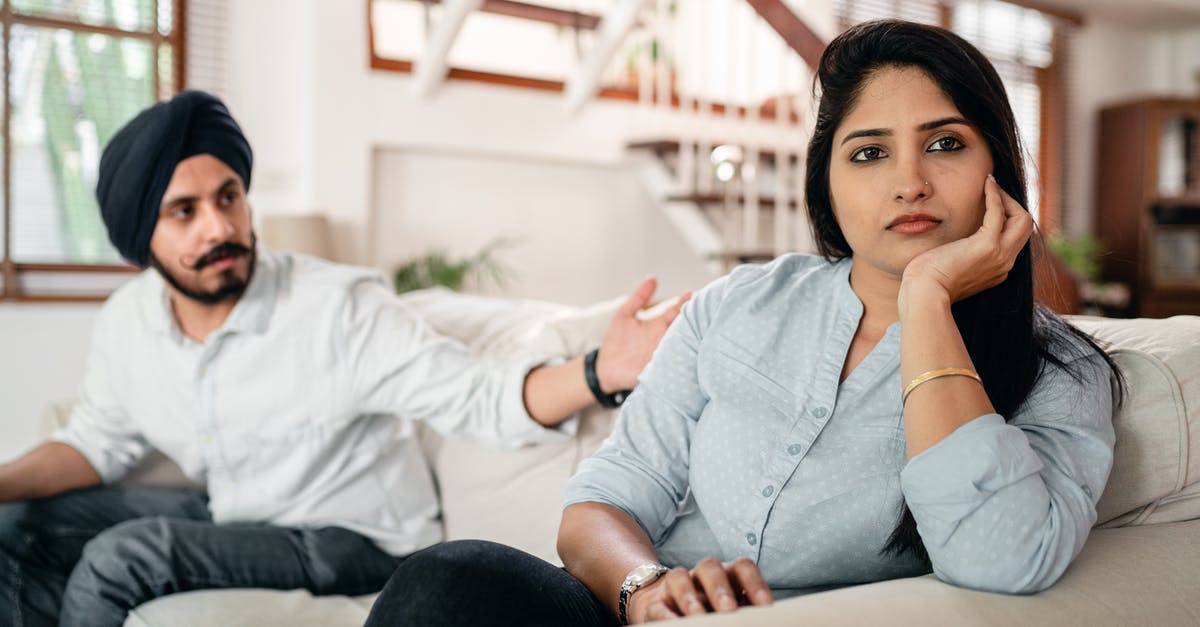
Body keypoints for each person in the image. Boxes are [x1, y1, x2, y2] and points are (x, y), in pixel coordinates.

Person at [362, 19, 1123, 627]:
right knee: (445, 580)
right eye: (868, 153)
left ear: (1000, 168)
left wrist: (927, 301)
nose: (909, 182)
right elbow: (605, 498)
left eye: (945, 143)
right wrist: (645, 585)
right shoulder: (739, 303)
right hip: (631, 612)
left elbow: (1003, 557)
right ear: (827, 180)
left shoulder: (1059, 371)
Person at [0, 90, 688, 627]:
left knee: (120, 557)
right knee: (13, 525)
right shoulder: (129, 325)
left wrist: (600, 369)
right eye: (184, 212)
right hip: (238, 511)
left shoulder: (335, 308)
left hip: (357, 535)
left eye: (228, 197)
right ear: (141, 236)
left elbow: (478, 395)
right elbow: (94, 442)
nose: (219, 227)